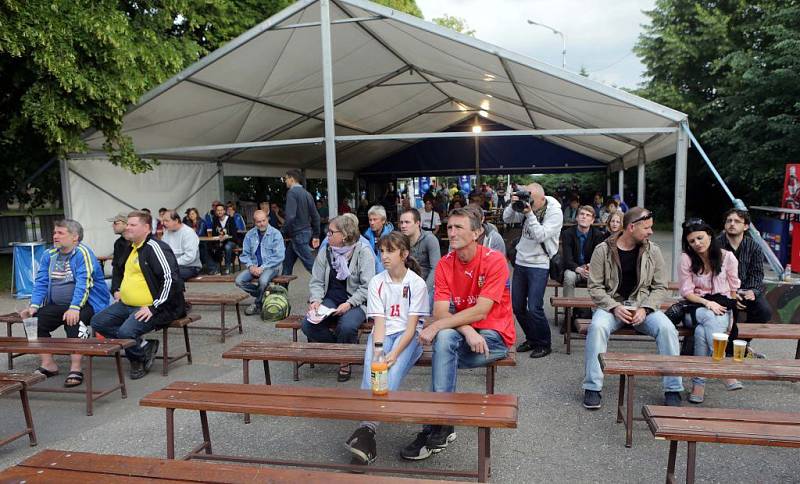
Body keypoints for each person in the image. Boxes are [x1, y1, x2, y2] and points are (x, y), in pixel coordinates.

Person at [400, 208, 514, 461]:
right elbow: (440, 311)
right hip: (467, 336)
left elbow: (482, 310)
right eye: (449, 227)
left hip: (495, 338)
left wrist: (441, 325)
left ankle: (435, 425)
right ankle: (441, 423)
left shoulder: (494, 260)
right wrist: (465, 330)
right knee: (445, 340)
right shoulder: (444, 264)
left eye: (458, 227)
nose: (451, 232)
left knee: (442, 346)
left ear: (476, 232)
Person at [582, 207, 683, 409]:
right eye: (646, 228)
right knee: (597, 328)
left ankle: (673, 388)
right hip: (612, 306)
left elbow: (660, 286)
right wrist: (613, 307)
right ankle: (592, 387)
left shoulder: (652, 250)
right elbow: (594, 287)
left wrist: (645, 308)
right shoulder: (602, 249)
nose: (651, 232)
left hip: (642, 306)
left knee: (667, 329)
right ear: (631, 227)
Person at [344, 232, 429, 465]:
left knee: (389, 378)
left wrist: (394, 353)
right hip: (383, 335)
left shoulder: (417, 283)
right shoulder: (377, 282)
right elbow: (378, 323)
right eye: (381, 251)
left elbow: (411, 329)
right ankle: (366, 436)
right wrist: (380, 350)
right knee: (372, 375)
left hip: (408, 338)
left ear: (404, 254)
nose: (384, 256)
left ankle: (365, 431)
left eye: (390, 251)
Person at [91, 211, 186, 380]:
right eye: (127, 224)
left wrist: (153, 307)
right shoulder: (131, 247)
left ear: (147, 228)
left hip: (155, 307)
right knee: (98, 322)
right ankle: (143, 346)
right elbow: (119, 272)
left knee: (125, 332)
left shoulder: (155, 247)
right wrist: (117, 290)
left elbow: (171, 280)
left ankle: (137, 358)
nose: (128, 227)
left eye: (133, 225)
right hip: (126, 304)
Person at [20, 219, 110, 388]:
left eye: (60, 233)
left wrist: (74, 307)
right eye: (55, 232)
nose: (55, 236)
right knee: (31, 321)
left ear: (74, 237)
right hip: (58, 304)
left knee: (74, 320)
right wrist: (33, 306)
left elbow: (85, 283)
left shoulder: (83, 253)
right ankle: (48, 364)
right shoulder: (50, 254)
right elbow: (40, 282)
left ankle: (76, 367)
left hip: (87, 304)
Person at [301, 214, 375, 382]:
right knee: (308, 324)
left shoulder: (363, 251)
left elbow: (368, 286)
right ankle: (343, 349)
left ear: (344, 236)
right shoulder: (326, 250)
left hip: (356, 302)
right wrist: (316, 300)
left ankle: (344, 361)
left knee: (347, 326)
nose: (327, 235)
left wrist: (349, 304)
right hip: (330, 300)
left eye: (331, 232)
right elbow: (317, 281)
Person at [679, 219, 741, 403]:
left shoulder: (727, 257)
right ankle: (722, 368)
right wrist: (707, 304)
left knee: (701, 333)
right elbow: (686, 292)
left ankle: (698, 385)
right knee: (708, 315)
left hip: (721, 307)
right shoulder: (687, 258)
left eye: (700, 238)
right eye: (692, 241)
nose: (697, 244)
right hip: (695, 308)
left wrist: (732, 314)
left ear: (709, 235)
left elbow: (733, 290)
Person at [503, 183, 563, 358]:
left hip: (540, 263)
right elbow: (507, 219)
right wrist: (512, 203)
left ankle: (544, 344)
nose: (529, 203)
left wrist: (529, 214)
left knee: (534, 307)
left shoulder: (554, 212)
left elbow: (541, 235)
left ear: (542, 199)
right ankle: (531, 338)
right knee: (518, 306)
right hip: (521, 261)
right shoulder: (526, 203)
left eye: (532, 201)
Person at [717, 209, 773, 337]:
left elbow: (757, 274)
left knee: (764, 311)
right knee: (730, 312)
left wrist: (752, 291)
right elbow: (712, 276)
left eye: (737, 221)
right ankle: (728, 346)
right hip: (721, 292)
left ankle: (742, 342)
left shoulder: (754, 247)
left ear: (746, 226)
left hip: (745, 291)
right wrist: (731, 294)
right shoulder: (715, 245)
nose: (732, 224)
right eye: (729, 221)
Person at [236, 210, 286, 315]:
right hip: (254, 266)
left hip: (272, 266)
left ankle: (257, 304)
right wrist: (250, 267)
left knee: (263, 281)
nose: (262, 223)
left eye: (264, 220)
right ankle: (263, 293)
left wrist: (262, 268)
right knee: (239, 281)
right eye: (258, 222)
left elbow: (279, 256)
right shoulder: (250, 235)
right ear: (254, 222)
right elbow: (245, 254)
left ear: (267, 219)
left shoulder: (276, 234)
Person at [397, 208, 441, 306]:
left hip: (427, 284)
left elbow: (436, 268)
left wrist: (424, 289)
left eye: (407, 222)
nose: (403, 226)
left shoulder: (430, 239)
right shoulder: (399, 241)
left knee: (422, 309)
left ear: (418, 223)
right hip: (406, 285)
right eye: (401, 222)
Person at [281, 169, 321, 275]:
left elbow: (290, 216)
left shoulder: (292, 193)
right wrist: (316, 234)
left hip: (298, 234)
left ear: (292, 179)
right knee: (287, 263)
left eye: (286, 179)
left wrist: (282, 231)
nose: (285, 181)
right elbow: (316, 216)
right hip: (305, 232)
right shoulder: (307, 194)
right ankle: (281, 291)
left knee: (311, 266)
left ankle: (330, 287)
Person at [561, 205, 606, 299]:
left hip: (590, 269)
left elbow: (599, 258)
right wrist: (579, 269)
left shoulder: (598, 235)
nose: (584, 217)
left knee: (601, 279)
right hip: (574, 269)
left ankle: (596, 310)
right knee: (569, 276)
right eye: (581, 214)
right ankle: (569, 310)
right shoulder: (567, 234)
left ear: (592, 220)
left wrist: (589, 268)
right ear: (577, 218)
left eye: (588, 215)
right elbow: (567, 259)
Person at [160, 210, 201, 281]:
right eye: (163, 221)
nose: (164, 223)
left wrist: (170, 263)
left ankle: (176, 291)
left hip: (190, 267)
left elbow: (190, 257)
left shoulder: (188, 233)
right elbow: (163, 252)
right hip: (172, 266)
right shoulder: (166, 233)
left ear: (176, 220)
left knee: (168, 275)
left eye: (167, 221)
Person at [363, 205, 395, 273]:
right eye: (370, 220)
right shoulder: (366, 236)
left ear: (383, 220)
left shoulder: (392, 236)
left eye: (375, 219)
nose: (372, 223)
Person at [209, 203, 238, 275]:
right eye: (218, 210)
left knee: (227, 246)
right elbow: (213, 233)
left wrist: (226, 237)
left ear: (224, 211)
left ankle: (227, 267)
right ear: (216, 212)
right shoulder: (215, 220)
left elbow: (234, 234)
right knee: (210, 245)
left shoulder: (230, 219)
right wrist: (219, 237)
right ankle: (216, 268)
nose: (220, 212)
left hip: (231, 241)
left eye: (221, 210)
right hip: (220, 241)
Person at [107, 212, 130, 298]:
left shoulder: (137, 242)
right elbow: (116, 268)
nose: (112, 226)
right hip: (122, 283)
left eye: (115, 223)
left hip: (133, 286)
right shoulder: (118, 243)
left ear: (126, 224)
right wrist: (116, 289)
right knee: (97, 286)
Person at [183, 207, 210, 272]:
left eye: (193, 213)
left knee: (200, 248)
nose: (191, 215)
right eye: (190, 214)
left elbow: (199, 234)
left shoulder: (202, 222)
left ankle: (206, 267)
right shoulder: (188, 223)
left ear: (196, 214)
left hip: (202, 241)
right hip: (192, 242)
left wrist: (192, 232)